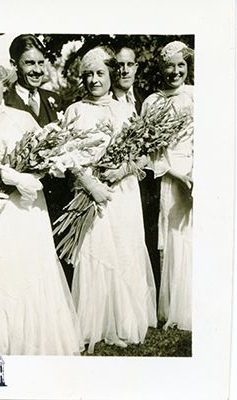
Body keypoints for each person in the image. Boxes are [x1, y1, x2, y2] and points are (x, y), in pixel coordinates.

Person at [0, 63, 83, 355]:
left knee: (30, 271)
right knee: (3, 275)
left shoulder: (22, 118)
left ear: (4, 85)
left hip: (26, 208)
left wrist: (24, 179)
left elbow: (49, 158)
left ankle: (39, 343)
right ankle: (6, 345)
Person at [64, 47, 157, 354]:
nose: (93, 80)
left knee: (124, 248)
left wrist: (123, 170)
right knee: (97, 250)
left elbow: (144, 155)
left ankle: (123, 321)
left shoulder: (124, 110)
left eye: (99, 73)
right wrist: (90, 183)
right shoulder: (75, 110)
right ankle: (96, 323)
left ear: (110, 74)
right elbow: (66, 155)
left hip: (123, 192)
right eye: (88, 74)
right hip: (92, 194)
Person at [4, 33, 74, 288]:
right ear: (14, 65)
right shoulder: (3, 101)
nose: (36, 70)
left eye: (40, 63)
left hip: (53, 195)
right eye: (28, 63)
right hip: (17, 194)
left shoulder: (51, 99)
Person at [141, 41, 194, 331]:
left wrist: (196, 174)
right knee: (171, 237)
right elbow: (150, 152)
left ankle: (193, 305)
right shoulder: (152, 101)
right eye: (169, 65)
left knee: (191, 236)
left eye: (180, 65)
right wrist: (176, 174)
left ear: (187, 67)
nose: (175, 71)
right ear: (161, 68)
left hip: (193, 173)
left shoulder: (196, 96)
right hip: (168, 176)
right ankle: (171, 308)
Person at [112, 45, 161, 297]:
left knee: (145, 238)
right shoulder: (105, 101)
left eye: (129, 64)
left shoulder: (146, 101)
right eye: (119, 65)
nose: (124, 70)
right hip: (118, 182)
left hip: (144, 181)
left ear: (136, 67)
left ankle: (145, 297)